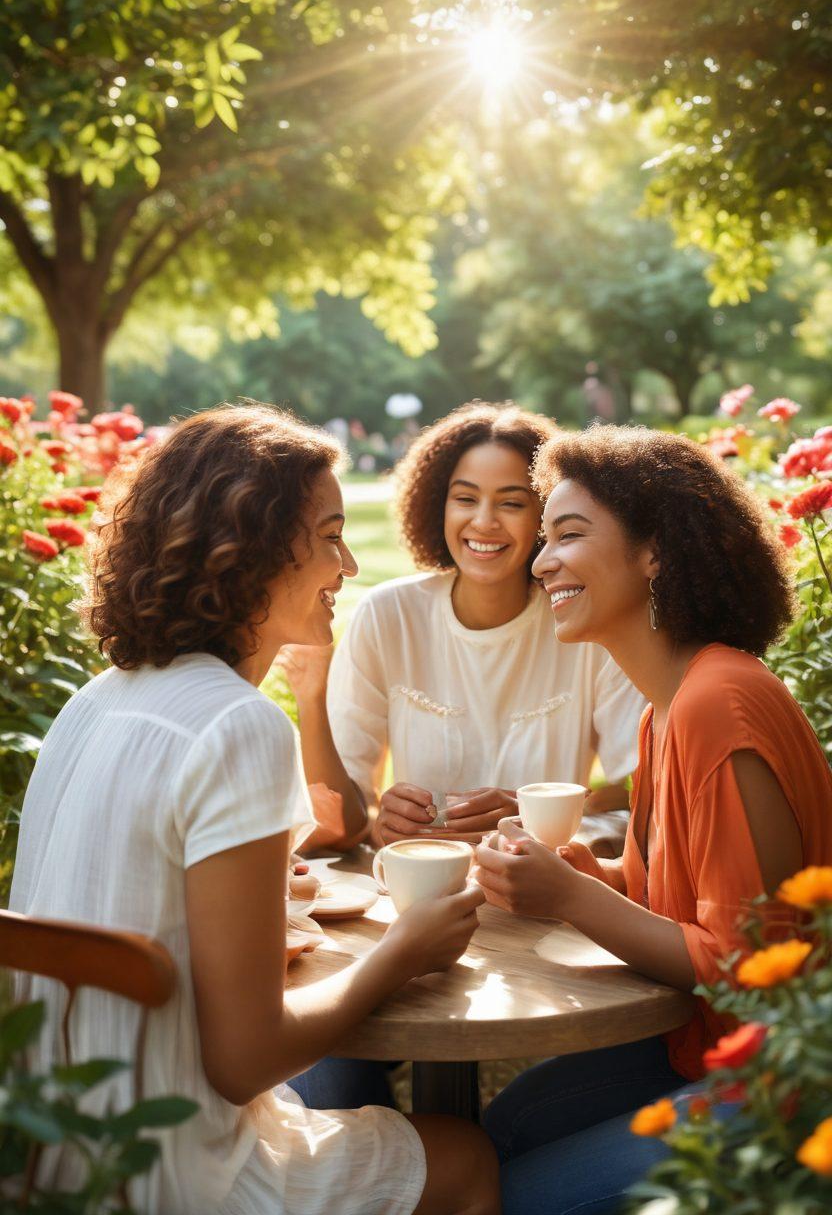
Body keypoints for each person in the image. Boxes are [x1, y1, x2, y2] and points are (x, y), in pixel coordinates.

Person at [9, 404, 499, 1215]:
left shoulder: (94, 701)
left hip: (54, 1149)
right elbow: (244, 1062)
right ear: (252, 546)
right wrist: (402, 951)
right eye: (331, 536)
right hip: (167, 1170)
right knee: (469, 1157)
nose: (347, 564)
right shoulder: (240, 726)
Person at [474, 424, 832, 1215]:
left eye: (569, 535)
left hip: (787, 1080)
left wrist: (571, 899)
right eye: (545, 539)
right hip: (705, 1050)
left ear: (656, 553)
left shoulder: (717, 702)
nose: (541, 562)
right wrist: (585, 874)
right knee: (495, 1134)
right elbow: (678, 909)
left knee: (510, 1197)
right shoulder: (662, 711)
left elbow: (746, 965)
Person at [281, 401, 645, 860]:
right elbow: (341, 818)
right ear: (438, 504)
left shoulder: (587, 627)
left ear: (546, 516)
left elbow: (640, 800)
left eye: (511, 502)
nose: (484, 522)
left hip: (544, 892)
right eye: (465, 499)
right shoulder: (389, 616)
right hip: (420, 889)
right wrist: (381, 823)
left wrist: (537, 820)